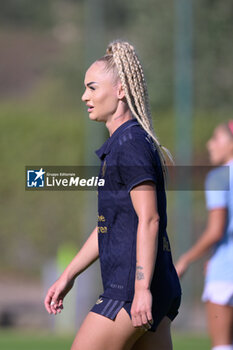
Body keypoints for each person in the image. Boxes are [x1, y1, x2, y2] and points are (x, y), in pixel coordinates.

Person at [44, 40, 181, 350]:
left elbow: (149, 218)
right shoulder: (124, 143)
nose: (84, 96)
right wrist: (69, 275)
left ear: (120, 90)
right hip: (151, 287)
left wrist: (141, 288)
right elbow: (110, 226)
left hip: (131, 289)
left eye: (92, 88)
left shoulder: (129, 144)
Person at [175, 121, 233, 350]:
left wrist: (185, 259)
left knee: (222, 346)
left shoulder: (219, 177)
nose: (210, 145)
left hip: (225, 274)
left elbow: (215, 230)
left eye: (216, 139)